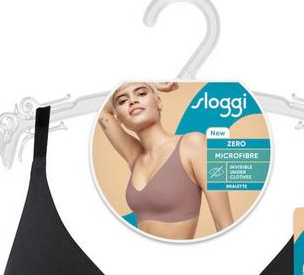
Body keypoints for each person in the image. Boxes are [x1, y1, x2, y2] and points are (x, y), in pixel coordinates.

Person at [99, 82, 233, 239]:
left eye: (141, 93)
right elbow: (102, 111)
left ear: (159, 102)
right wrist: (153, 84)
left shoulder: (194, 144)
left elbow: (225, 225)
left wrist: (151, 85)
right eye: (122, 100)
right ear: (119, 118)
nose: (133, 101)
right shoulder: (135, 156)